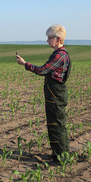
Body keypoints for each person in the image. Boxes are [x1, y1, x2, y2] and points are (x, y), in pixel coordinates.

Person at [16, 24, 71, 162]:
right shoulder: (58, 54)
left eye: (49, 37)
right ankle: (58, 153)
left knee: (57, 126)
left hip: (56, 96)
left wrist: (25, 64)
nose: (47, 41)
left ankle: (61, 157)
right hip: (54, 95)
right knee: (54, 125)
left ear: (58, 39)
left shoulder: (59, 56)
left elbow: (42, 70)